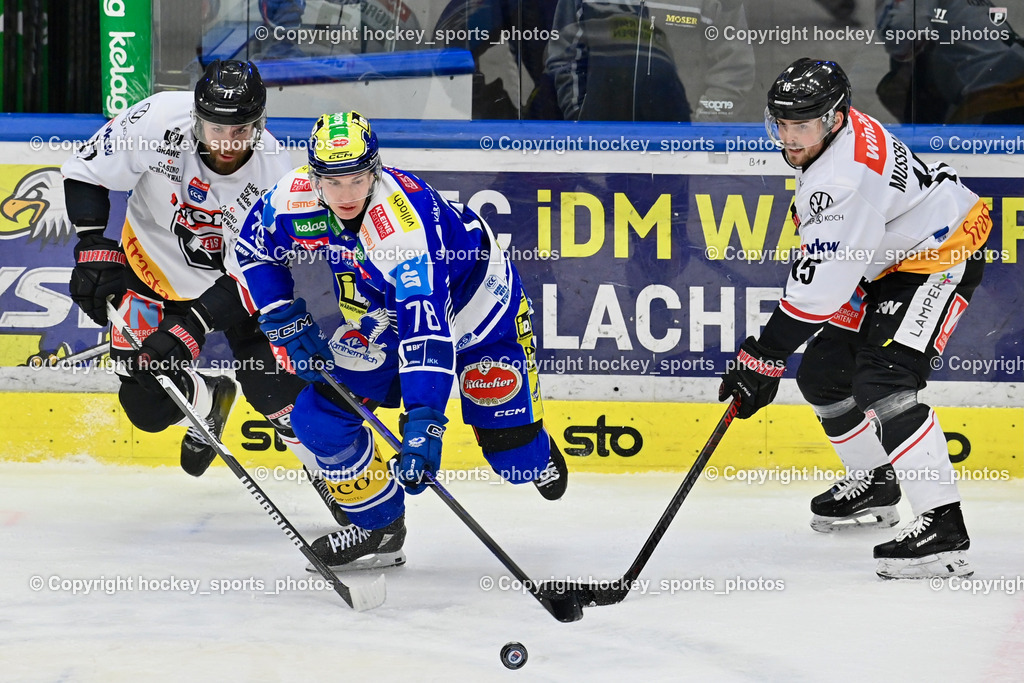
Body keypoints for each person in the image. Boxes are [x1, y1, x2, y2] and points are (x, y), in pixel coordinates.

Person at [235, 110, 568, 569]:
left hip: (480, 316)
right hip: (383, 319)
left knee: (516, 462)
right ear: (314, 178)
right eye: (333, 182)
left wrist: (424, 423)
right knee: (318, 419)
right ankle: (381, 527)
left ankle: (535, 451)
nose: (346, 194)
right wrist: (284, 320)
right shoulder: (294, 198)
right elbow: (254, 247)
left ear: (375, 171)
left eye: (357, 179)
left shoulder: (403, 230)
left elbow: (426, 334)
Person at [719, 59, 990, 579]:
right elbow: (829, 272)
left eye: (803, 125)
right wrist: (772, 356)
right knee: (823, 377)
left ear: (836, 119)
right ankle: (878, 483)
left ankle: (942, 525)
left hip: (937, 255)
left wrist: (763, 355)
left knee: (885, 380)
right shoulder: (835, 133)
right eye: (782, 124)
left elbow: (817, 295)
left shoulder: (842, 180)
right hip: (886, 258)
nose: (790, 138)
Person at [61, 61, 324, 501]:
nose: (226, 143)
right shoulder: (158, 119)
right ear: (196, 118)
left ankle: (332, 476)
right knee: (145, 402)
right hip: (149, 275)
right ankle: (207, 403)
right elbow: (85, 171)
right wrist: (91, 246)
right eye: (215, 128)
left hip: (234, 292)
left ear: (259, 125)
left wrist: (195, 326)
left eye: (240, 130)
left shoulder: (275, 178)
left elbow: (254, 276)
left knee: (274, 388)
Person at [545, 0, 754, 121]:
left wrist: (699, 130)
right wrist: (582, 118)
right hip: (604, 147)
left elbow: (734, 69)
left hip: (680, 151)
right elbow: (565, 55)